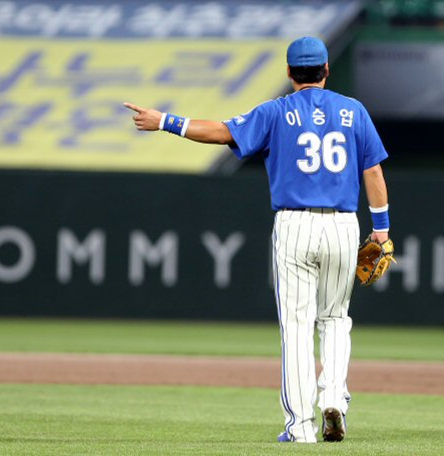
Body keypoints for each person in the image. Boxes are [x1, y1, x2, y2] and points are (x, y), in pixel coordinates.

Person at [124, 36, 391, 444]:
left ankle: (301, 428)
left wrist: (165, 121)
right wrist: (382, 228)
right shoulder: (353, 111)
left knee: (297, 327)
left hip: (294, 224)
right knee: (335, 318)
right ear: (326, 70)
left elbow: (219, 132)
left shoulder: (276, 111)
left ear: (288, 73)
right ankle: (333, 397)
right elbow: (372, 172)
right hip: (342, 224)